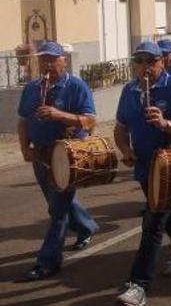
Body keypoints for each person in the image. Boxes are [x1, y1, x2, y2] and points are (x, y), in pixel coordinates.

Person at [115, 41, 171, 306]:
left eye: (151, 61)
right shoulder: (129, 91)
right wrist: (126, 150)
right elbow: (120, 128)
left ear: (162, 62)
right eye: (139, 61)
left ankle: (138, 285)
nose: (145, 67)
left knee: (152, 223)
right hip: (144, 165)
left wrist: (165, 123)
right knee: (167, 214)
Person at [17, 42, 98, 281]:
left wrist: (59, 115)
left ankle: (47, 262)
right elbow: (23, 121)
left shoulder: (76, 86)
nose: (47, 64)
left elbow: (90, 121)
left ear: (64, 59)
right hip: (40, 155)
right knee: (58, 203)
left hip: (67, 155)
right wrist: (24, 148)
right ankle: (87, 227)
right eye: (43, 59)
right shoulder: (32, 88)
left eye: (53, 58)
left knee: (58, 211)